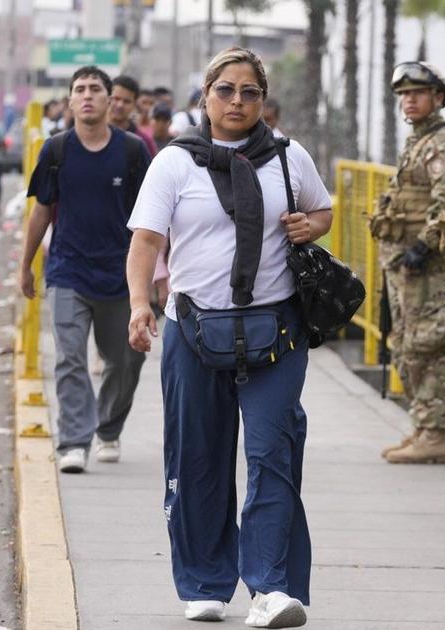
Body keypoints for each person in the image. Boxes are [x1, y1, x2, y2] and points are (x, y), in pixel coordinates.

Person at [125, 46, 332, 627]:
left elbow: (323, 212)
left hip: (276, 334)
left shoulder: (290, 159)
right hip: (193, 331)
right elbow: (145, 241)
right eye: (225, 90)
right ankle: (205, 582)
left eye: (249, 92)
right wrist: (140, 304)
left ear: (263, 100)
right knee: (198, 458)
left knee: (273, 453)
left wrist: (306, 224)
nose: (237, 102)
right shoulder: (174, 163)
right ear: (205, 96)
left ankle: (271, 588)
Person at [18, 66, 152, 473]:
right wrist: (26, 265)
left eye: (96, 88)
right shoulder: (56, 150)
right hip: (66, 272)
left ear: (111, 100)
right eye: (80, 89)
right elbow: (41, 209)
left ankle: (107, 430)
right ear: (71, 100)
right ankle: (74, 441)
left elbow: (152, 216)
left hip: (119, 274)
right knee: (70, 357)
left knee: (124, 361)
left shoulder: (131, 152)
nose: (88, 95)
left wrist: (157, 274)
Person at [369, 62, 445, 464]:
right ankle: (422, 425)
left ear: (439, 98)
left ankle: (435, 433)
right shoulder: (418, 141)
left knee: (425, 345)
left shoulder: (444, 141)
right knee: (407, 343)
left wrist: (424, 246)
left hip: (425, 264)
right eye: (404, 95)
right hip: (404, 262)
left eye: (418, 93)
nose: (409, 100)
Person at [109, 75, 159, 156]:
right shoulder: (93, 134)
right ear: (107, 98)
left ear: (135, 105)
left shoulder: (143, 142)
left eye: (127, 101)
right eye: (116, 98)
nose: (120, 105)